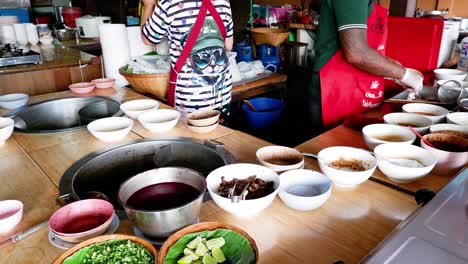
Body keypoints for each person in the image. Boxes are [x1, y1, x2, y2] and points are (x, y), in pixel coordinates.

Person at [309, 0, 424, 128]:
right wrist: (404, 75)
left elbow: (367, 48)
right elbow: (356, 52)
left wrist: (392, 68)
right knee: (333, 142)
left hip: (356, 87)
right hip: (336, 88)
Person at [140, 0, 234, 124]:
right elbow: (229, 45)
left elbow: (148, 39)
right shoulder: (223, 2)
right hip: (222, 97)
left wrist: (149, 5)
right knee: (220, 140)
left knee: (191, 142)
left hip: (190, 101)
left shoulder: (170, 3)